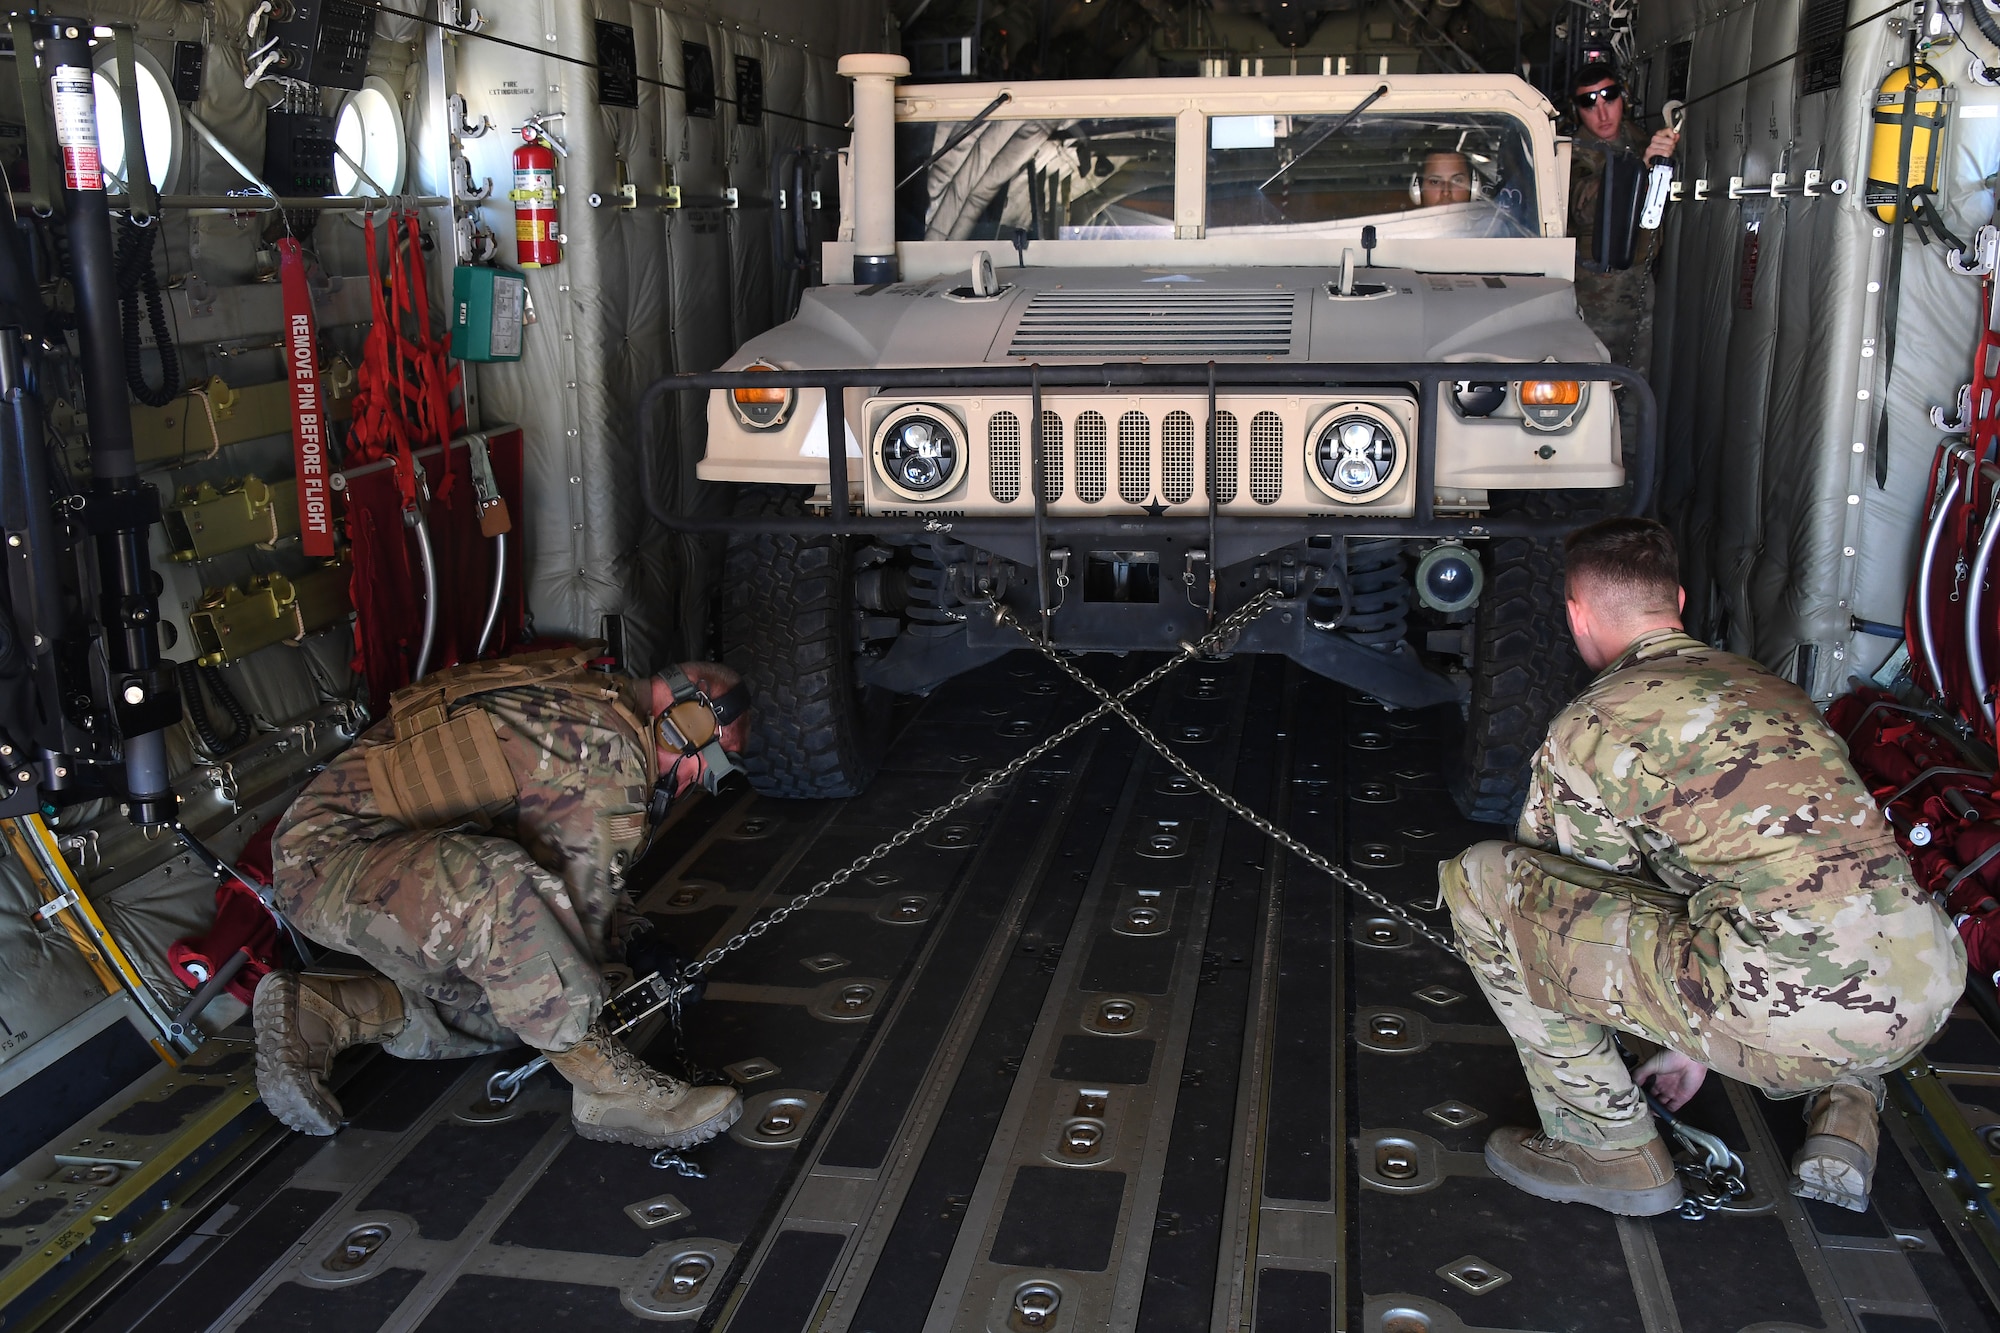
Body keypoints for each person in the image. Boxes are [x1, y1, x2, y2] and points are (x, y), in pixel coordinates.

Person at [1440, 517, 1966, 1216]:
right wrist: (1692, 1046)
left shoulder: (1595, 723)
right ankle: (1846, 1119)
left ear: (1576, 614)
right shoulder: (1773, 690)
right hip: (1923, 986)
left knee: (1485, 883)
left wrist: (1673, 1030)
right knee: (1850, 925)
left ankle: (1608, 1147)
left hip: (1782, 1001)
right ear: (1679, 601)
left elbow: (1576, 911)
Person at [251, 645, 752, 1151]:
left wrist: (640, 941)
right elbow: (572, 924)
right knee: (541, 968)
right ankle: (609, 1091)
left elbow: (558, 863)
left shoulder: (598, 703)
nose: (691, 785)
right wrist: (611, 975)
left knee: (518, 998)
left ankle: (327, 1010)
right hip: (331, 866)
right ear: (684, 720)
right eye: (706, 766)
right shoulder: (611, 758)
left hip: (354, 866)